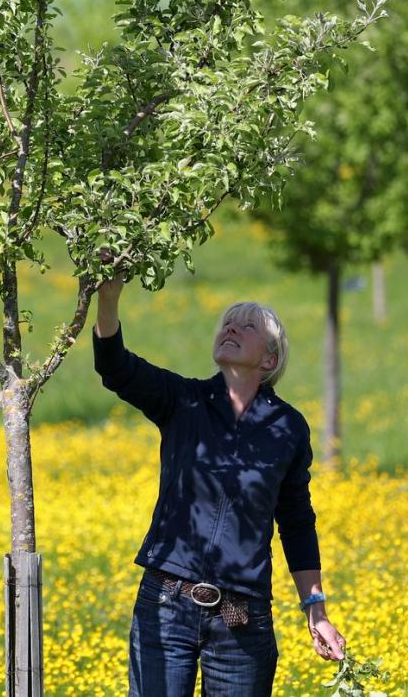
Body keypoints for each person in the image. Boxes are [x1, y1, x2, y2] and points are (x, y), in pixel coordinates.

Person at [92, 276, 345, 696]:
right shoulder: (182, 401)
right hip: (166, 604)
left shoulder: (288, 429)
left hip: (242, 619)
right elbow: (115, 367)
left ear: (269, 359)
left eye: (247, 326)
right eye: (227, 323)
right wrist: (108, 299)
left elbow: (298, 524)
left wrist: (315, 611)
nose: (230, 328)